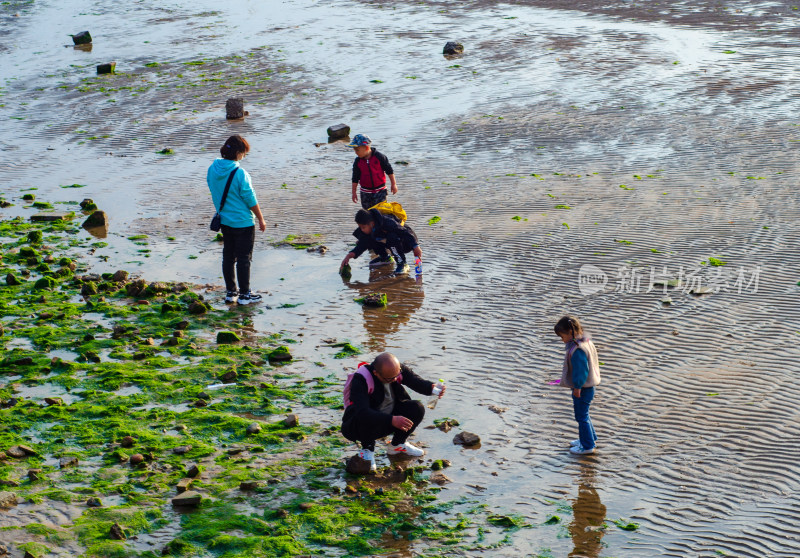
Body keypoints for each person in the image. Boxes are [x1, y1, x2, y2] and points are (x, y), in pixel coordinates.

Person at [342, 352, 445, 472]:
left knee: (417, 408)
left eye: (397, 375)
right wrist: (392, 420)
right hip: (358, 425)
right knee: (366, 416)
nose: (395, 379)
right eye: (391, 378)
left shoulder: (395, 370)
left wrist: (431, 388)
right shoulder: (360, 380)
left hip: (387, 418)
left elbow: (415, 381)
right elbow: (362, 413)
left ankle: (397, 445)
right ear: (376, 373)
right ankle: (367, 449)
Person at [206, 134, 267, 305]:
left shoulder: (213, 168)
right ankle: (245, 295)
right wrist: (261, 219)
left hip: (225, 220)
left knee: (228, 256)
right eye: (244, 153)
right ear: (239, 153)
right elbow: (250, 199)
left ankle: (231, 292)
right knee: (243, 258)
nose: (244, 157)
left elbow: (211, 186)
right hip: (243, 222)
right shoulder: (240, 173)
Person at [554, 315, 601, 455]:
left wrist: (577, 387)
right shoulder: (586, 342)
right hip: (588, 387)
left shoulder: (578, 349)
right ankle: (588, 438)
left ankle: (587, 446)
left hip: (583, 388)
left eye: (562, 336)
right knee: (584, 414)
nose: (562, 340)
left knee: (581, 416)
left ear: (570, 333)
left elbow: (581, 371)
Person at [339, 208, 422, 274]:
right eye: (360, 227)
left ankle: (402, 263)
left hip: (406, 242)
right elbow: (361, 246)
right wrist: (348, 256)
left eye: (363, 227)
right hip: (392, 244)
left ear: (371, 223)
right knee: (370, 238)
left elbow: (405, 232)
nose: (362, 230)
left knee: (391, 236)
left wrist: (415, 246)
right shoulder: (367, 229)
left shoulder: (387, 222)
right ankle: (385, 258)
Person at [348, 134, 397, 210]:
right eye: (354, 150)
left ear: (366, 147)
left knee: (381, 212)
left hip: (380, 191)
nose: (355, 152)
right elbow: (355, 177)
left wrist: (393, 184)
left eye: (357, 150)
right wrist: (354, 193)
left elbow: (389, 171)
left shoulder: (379, 157)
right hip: (365, 193)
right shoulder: (358, 161)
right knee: (368, 213)